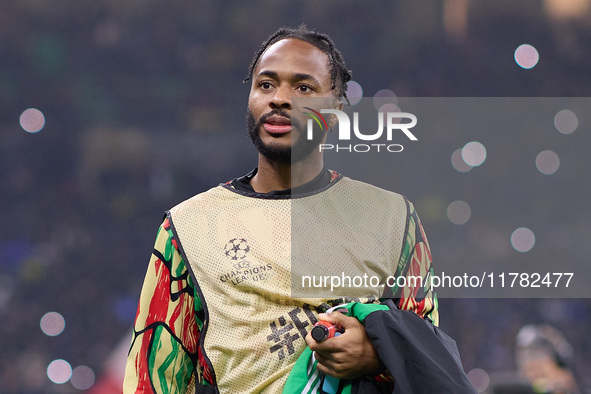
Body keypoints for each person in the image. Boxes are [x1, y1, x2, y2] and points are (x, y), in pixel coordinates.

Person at [124, 26, 472, 393]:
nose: (280, 99)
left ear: (336, 111)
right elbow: (153, 376)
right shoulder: (188, 226)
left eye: (303, 88)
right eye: (266, 85)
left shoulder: (392, 217)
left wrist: (376, 357)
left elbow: (425, 355)